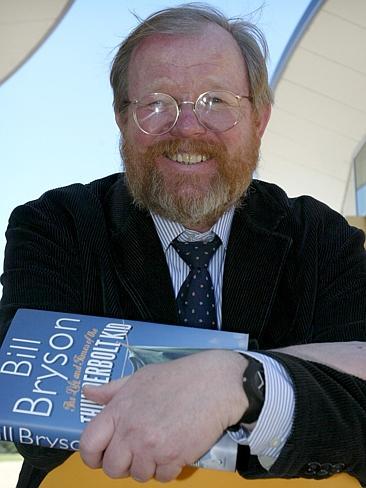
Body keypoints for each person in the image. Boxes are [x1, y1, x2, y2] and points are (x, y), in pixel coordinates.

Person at [0, 4, 365, 488]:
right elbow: (33, 411)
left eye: (216, 100)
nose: (188, 127)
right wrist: (244, 378)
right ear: (122, 120)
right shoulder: (55, 225)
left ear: (259, 118)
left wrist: (239, 380)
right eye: (156, 102)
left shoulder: (324, 237)